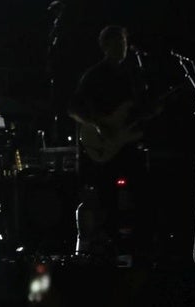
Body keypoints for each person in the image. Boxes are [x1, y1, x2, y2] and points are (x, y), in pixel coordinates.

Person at [67, 25, 159, 265]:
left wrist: (150, 112)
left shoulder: (133, 74)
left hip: (127, 144)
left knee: (142, 192)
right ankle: (109, 246)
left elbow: (138, 110)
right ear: (105, 46)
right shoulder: (95, 75)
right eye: (117, 43)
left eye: (124, 43)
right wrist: (97, 124)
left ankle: (140, 247)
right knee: (107, 198)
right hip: (104, 146)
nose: (123, 48)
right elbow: (73, 107)